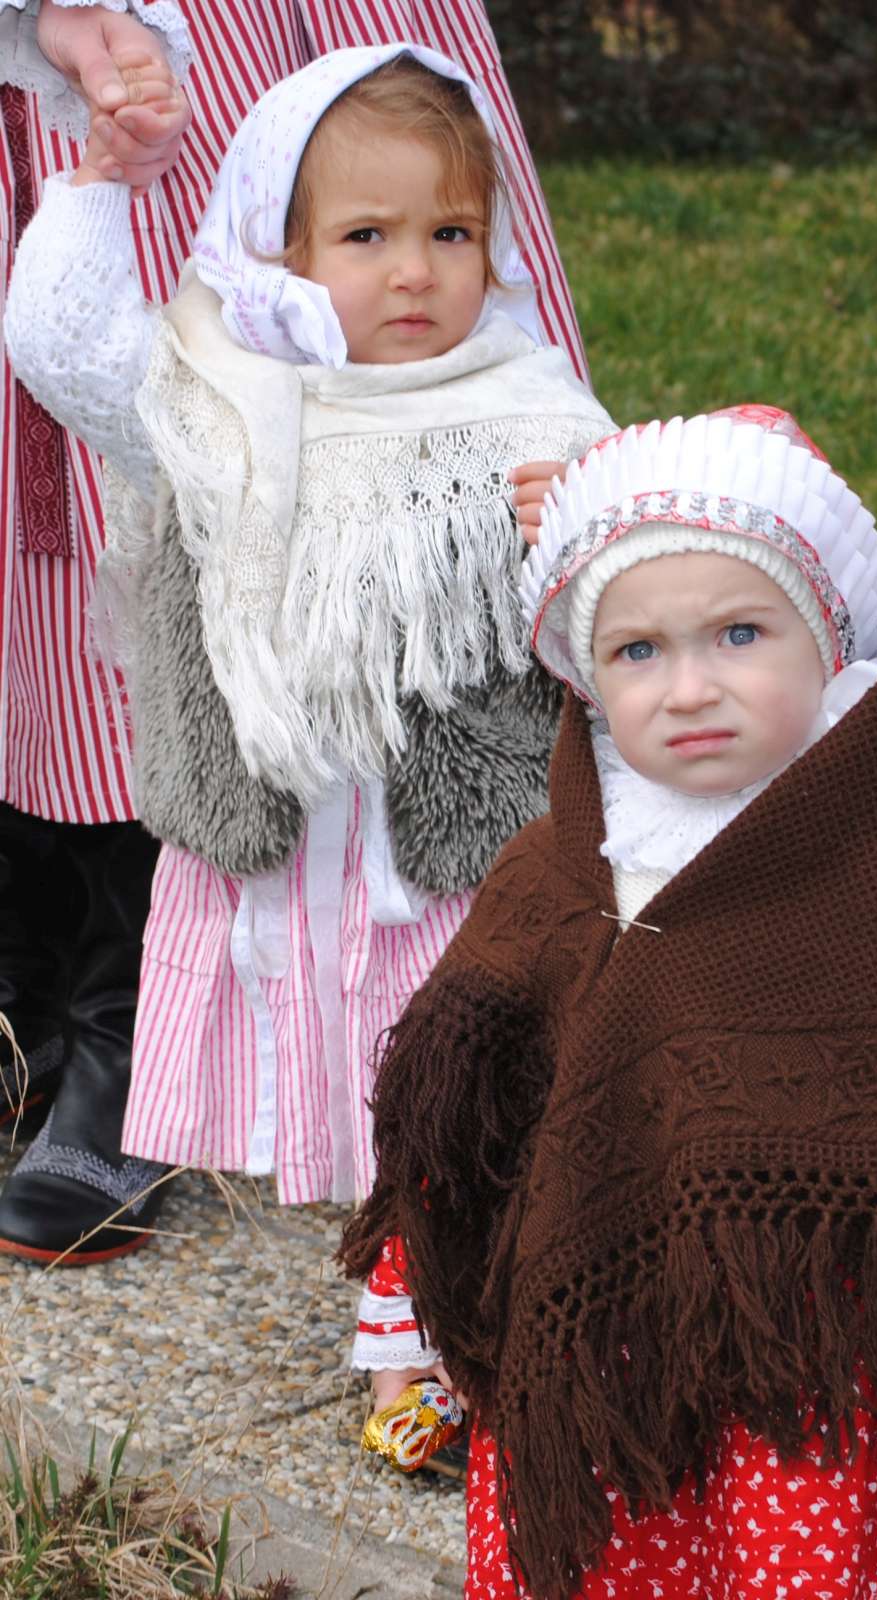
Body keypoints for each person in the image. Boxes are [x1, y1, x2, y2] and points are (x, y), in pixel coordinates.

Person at [341, 407, 877, 1600]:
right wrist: (414, 1306)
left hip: (868, 1364)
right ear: (583, 674)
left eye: (738, 632)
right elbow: (467, 1132)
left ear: (829, 636)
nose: (688, 687)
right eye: (636, 650)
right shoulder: (564, 872)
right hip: (632, 1371)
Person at [0, 0, 587, 1264]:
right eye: (366, 237)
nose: (415, 271)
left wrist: (585, 529)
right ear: (277, 245)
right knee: (339, 1071)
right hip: (284, 839)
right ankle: (396, 1258)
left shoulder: (522, 402)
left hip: (443, 853)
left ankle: (443, 1283)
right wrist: (99, 187)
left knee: (465, 1073)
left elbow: (611, 606)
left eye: (450, 233)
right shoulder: (223, 400)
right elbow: (63, 344)